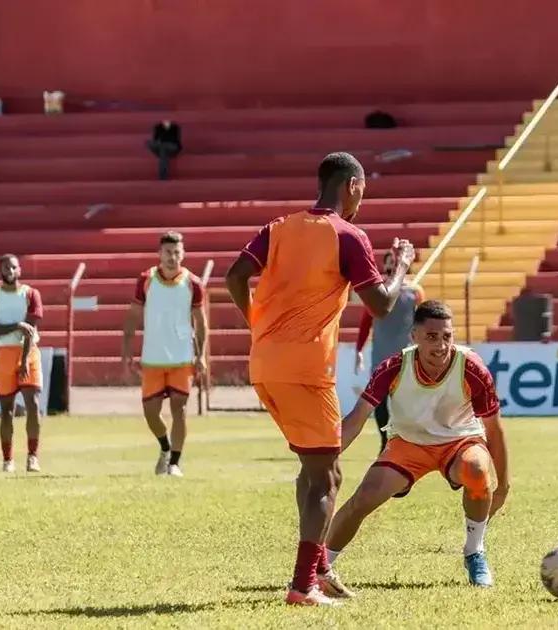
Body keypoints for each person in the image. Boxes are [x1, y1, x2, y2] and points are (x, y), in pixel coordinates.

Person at [225, 152, 415, 606]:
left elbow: (235, 276)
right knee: (327, 478)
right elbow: (382, 305)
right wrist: (401, 268)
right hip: (306, 370)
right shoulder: (347, 235)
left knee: (314, 470)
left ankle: (319, 571)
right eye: (362, 191)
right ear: (352, 185)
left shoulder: (279, 227)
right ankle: (302, 585)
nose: (361, 200)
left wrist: (257, 325)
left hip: (265, 364)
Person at [325, 300, 509, 592]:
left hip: (460, 442)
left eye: (447, 336)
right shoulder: (394, 366)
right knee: (364, 498)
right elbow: (357, 418)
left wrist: (503, 486)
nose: (441, 345)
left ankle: (474, 551)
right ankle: (319, 568)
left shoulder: (471, 367)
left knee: (476, 470)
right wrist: (324, 460)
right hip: (408, 445)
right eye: (431, 337)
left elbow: (494, 429)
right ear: (414, 336)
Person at [122, 231, 208, 477]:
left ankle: (174, 463)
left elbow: (200, 322)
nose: (172, 257)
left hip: (182, 358)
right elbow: (133, 316)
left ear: (183, 253)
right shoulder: (146, 280)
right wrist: (127, 350)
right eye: (168, 252)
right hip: (153, 357)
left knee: (179, 410)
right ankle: (165, 447)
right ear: (159, 254)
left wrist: (201, 355)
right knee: (151, 413)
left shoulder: (193, 283)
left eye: (177, 252)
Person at [354, 247, 424, 452]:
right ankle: (385, 442)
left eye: (395, 261)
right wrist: (359, 349)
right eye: (389, 261)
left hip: (406, 355)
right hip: (381, 356)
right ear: (384, 265)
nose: (392, 264)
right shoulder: (377, 292)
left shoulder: (415, 292)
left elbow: (421, 322)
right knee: (380, 402)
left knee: (405, 402)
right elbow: (366, 322)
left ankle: (405, 441)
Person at [0, 254, 44, 473]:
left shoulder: (31, 294)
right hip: (5, 354)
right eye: (5, 268)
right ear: (0, 271)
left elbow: (30, 329)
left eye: (13, 267)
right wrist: (17, 325)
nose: (10, 271)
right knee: (6, 409)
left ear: (20, 270)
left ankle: (32, 456)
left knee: (32, 405)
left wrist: (25, 359)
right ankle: (8, 459)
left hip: (29, 352)